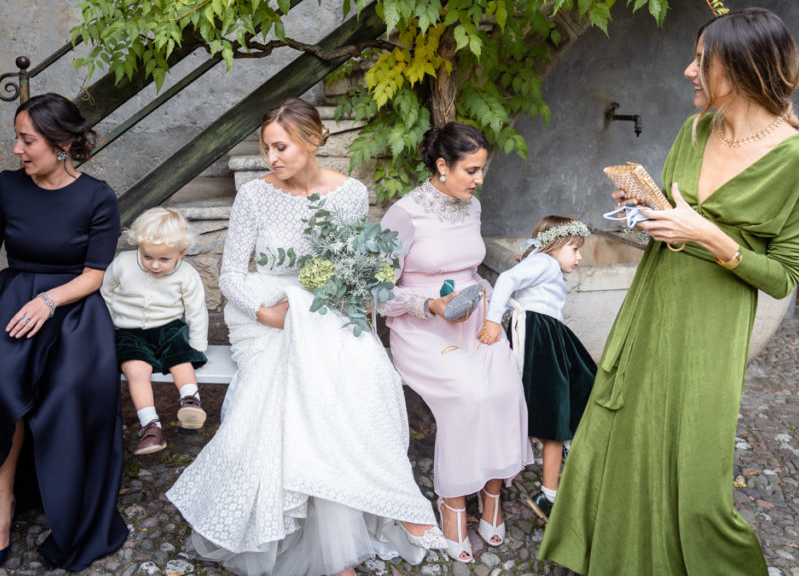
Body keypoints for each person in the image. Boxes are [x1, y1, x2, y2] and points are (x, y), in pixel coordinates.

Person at [540, 8, 799, 575]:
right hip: (655, 300)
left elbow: (785, 276)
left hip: (713, 322)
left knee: (694, 467)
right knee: (620, 430)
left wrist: (709, 235)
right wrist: (645, 213)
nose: (688, 71)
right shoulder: (695, 130)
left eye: (702, 60)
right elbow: (671, 220)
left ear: (742, 69)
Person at [166, 98, 445, 576]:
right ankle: (316, 541)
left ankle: (386, 506)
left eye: (282, 147)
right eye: (266, 148)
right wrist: (265, 312)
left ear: (313, 140)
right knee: (287, 391)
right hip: (264, 309)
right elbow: (231, 273)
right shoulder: (254, 196)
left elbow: (353, 265)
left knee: (366, 376)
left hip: (324, 307)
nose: (272, 158)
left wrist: (354, 292)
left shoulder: (351, 193)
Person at [0, 93, 128, 572]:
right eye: (17, 137)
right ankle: (1, 507)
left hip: (72, 309)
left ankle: (69, 506)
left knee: (70, 390)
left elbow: (94, 274)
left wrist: (49, 301)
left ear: (62, 145)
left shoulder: (98, 196)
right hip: (9, 304)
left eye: (27, 140)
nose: (16, 149)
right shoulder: (4, 188)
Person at [380, 122, 533, 563]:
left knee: (503, 392)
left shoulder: (472, 206)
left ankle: (491, 497)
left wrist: (485, 310)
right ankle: (452, 503)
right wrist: (430, 307)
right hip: (422, 328)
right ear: (442, 166)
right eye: (472, 170)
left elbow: (473, 269)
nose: (479, 180)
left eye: (483, 170)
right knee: (470, 396)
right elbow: (379, 291)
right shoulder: (405, 214)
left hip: (475, 320)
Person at [478, 216, 598, 522]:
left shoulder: (547, 266)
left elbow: (536, 300)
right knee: (559, 410)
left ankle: (555, 481)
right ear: (556, 246)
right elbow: (507, 281)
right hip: (541, 342)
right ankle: (550, 493)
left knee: (578, 388)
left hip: (551, 337)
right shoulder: (544, 262)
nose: (580, 256)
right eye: (574, 248)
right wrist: (493, 319)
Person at [101, 207, 209, 455]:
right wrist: (104, 333)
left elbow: (196, 310)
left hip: (168, 328)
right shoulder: (122, 264)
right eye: (148, 257)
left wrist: (199, 348)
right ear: (139, 245)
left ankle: (190, 401)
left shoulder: (186, 274)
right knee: (136, 371)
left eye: (164, 260)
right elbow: (105, 296)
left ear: (181, 253)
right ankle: (151, 427)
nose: (155, 266)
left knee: (181, 358)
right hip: (129, 332)